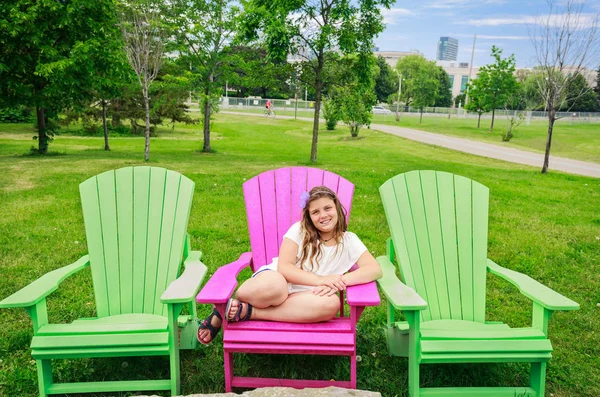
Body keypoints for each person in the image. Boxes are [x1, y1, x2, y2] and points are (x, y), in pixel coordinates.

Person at [197, 186, 383, 345]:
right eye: (315, 212)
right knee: (277, 288)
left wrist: (341, 280)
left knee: (332, 303)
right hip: (278, 280)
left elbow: (374, 269)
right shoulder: (299, 230)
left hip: (308, 296)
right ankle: (224, 309)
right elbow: (285, 267)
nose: (323, 215)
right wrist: (321, 280)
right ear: (309, 216)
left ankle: (248, 312)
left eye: (328, 208)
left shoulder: (349, 241)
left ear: (337, 208)